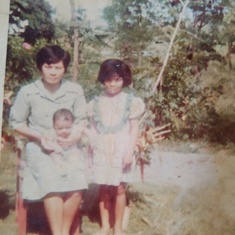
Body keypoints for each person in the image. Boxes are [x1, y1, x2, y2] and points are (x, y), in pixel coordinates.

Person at [10, 45, 87, 235]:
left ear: (65, 69)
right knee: (52, 181)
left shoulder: (74, 90)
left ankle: (60, 231)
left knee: (78, 182)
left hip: (68, 147)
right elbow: (16, 123)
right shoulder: (28, 92)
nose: (53, 72)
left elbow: (82, 120)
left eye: (58, 67)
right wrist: (39, 137)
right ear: (40, 67)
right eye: (48, 66)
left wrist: (73, 138)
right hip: (39, 147)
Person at [87, 59, 145, 235]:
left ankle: (118, 227)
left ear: (124, 80)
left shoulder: (130, 101)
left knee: (119, 188)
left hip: (121, 150)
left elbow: (134, 128)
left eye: (117, 79)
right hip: (102, 150)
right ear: (103, 79)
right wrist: (90, 153)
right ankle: (105, 225)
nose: (113, 84)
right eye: (109, 79)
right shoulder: (95, 103)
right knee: (103, 188)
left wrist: (129, 152)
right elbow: (93, 130)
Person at [42, 108, 84, 176]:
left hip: (71, 150)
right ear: (54, 126)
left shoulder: (74, 129)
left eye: (67, 128)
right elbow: (46, 140)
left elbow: (82, 129)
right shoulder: (52, 132)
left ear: (72, 124)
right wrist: (54, 147)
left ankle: (73, 167)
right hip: (58, 151)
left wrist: (90, 135)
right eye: (60, 128)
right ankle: (60, 166)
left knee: (77, 152)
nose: (64, 131)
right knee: (54, 155)